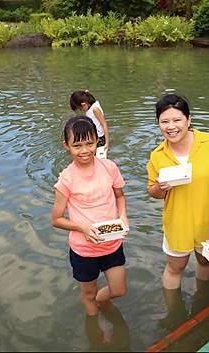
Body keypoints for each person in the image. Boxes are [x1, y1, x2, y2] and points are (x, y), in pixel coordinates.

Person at [146, 94, 209, 291]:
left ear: (188, 120)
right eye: (164, 121)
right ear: (158, 124)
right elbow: (152, 191)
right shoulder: (157, 155)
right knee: (175, 267)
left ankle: (202, 302)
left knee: (205, 262)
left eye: (177, 119)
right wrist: (160, 188)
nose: (171, 126)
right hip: (177, 221)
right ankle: (173, 312)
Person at [51, 116, 129, 317]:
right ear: (66, 146)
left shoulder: (109, 167)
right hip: (83, 250)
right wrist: (83, 228)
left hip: (112, 243)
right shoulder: (66, 179)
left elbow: (120, 196)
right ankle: (94, 326)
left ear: (97, 141)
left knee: (119, 290)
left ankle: (101, 303)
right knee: (88, 292)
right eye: (77, 145)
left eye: (89, 143)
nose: (84, 150)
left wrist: (123, 217)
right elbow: (56, 219)